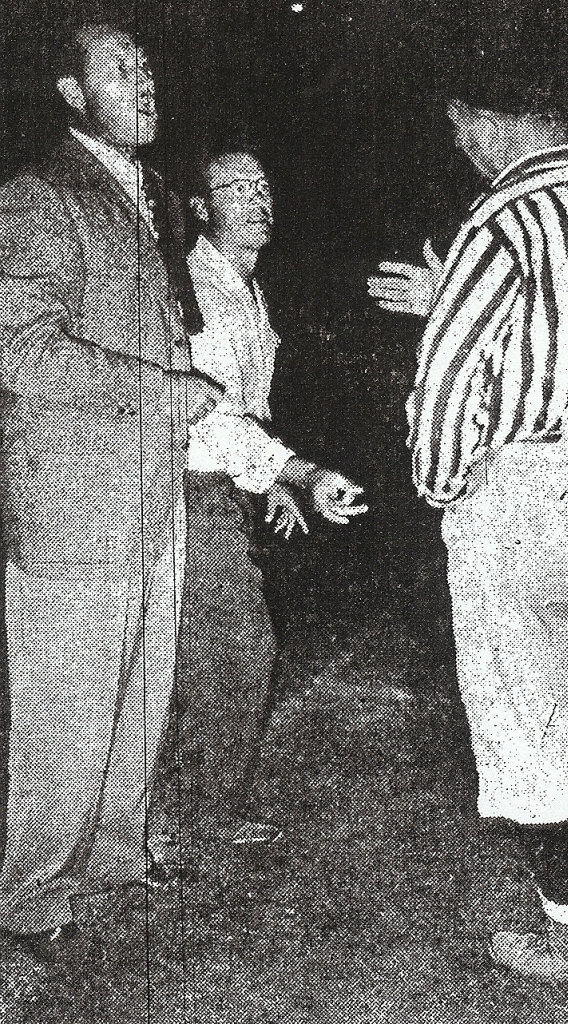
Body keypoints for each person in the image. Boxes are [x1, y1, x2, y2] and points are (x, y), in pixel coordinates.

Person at [368, 88, 568, 983]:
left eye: (460, 125)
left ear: (492, 117)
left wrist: (443, 484)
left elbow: (447, 387)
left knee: (529, 717)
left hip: (530, 500)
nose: (463, 144)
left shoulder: (500, 218)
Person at [0, 23, 223, 935]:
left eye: (148, 66)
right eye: (120, 69)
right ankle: (30, 899)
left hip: (149, 499)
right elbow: (21, 350)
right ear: (71, 91)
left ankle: (113, 866)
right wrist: (167, 389)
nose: (146, 80)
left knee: (138, 699)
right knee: (65, 725)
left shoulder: (151, 195)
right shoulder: (39, 196)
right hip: (74, 510)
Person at [182, 149, 368, 842]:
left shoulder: (245, 286)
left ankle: (187, 812)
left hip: (227, 483)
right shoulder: (193, 285)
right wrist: (295, 473)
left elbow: (249, 403)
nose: (259, 199)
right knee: (237, 649)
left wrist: (269, 485)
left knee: (216, 653)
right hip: (193, 484)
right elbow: (209, 416)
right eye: (237, 189)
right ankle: (196, 816)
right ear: (202, 208)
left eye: (264, 186)